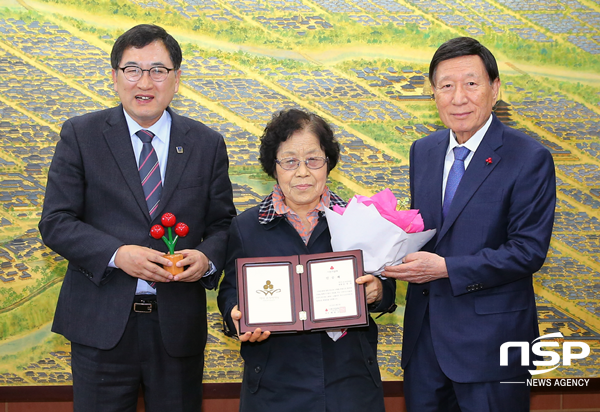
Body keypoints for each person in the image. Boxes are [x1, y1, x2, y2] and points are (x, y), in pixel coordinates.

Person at [38, 24, 235, 412]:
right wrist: (117, 254)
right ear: (114, 78)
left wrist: (206, 259)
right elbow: (56, 221)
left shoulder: (206, 143)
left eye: (158, 70)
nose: (145, 81)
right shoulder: (81, 135)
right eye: (133, 69)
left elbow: (223, 224)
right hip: (101, 325)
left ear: (177, 79)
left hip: (176, 326)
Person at [383, 37, 556, 412]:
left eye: (471, 83)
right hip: (424, 346)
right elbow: (425, 231)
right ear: (433, 94)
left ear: (495, 89)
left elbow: (527, 250)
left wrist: (446, 268)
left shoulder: (529, 158)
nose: (458, 97)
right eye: (446, 85)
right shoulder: (423, 151)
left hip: (492, 348)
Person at [217, 108, 396, 412]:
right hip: (274, 385)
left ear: (328, 164)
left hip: (350, 382)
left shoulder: (358, 218)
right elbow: (230, 291)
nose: (302, 172)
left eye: (313, 160)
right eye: (289, 161)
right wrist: (235, 316)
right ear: (273, 167)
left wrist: (378, 291)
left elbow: (388, 282)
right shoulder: (247, 226)